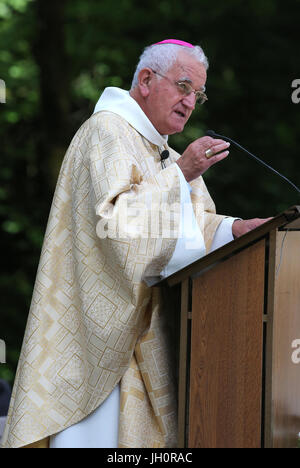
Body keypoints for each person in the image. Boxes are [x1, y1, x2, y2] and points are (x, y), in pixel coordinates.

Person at [1, 39, 269, 449]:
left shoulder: (164, 154)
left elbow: (191, 223)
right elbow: (116, 227)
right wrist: (180, 173)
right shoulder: (106, 132)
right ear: (146, 79)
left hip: (150, 339)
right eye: (183, 86)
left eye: (197, 94)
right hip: (101, 346)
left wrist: (233, 230)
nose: (190, 101)